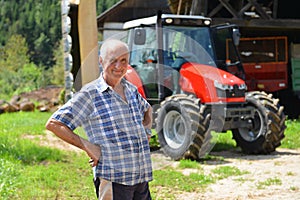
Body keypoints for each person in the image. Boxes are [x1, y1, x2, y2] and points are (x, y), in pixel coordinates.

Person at [45, 39, 153, 200]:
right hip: (114, 178)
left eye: (123, 61)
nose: (118, 66)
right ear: (101, 61)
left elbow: (147, 109)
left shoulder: (130, 89)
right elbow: (54, 124)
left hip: (140, 176)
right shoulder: (90, 94)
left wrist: (146, 132)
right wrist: (88, 146)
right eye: (113, 60)